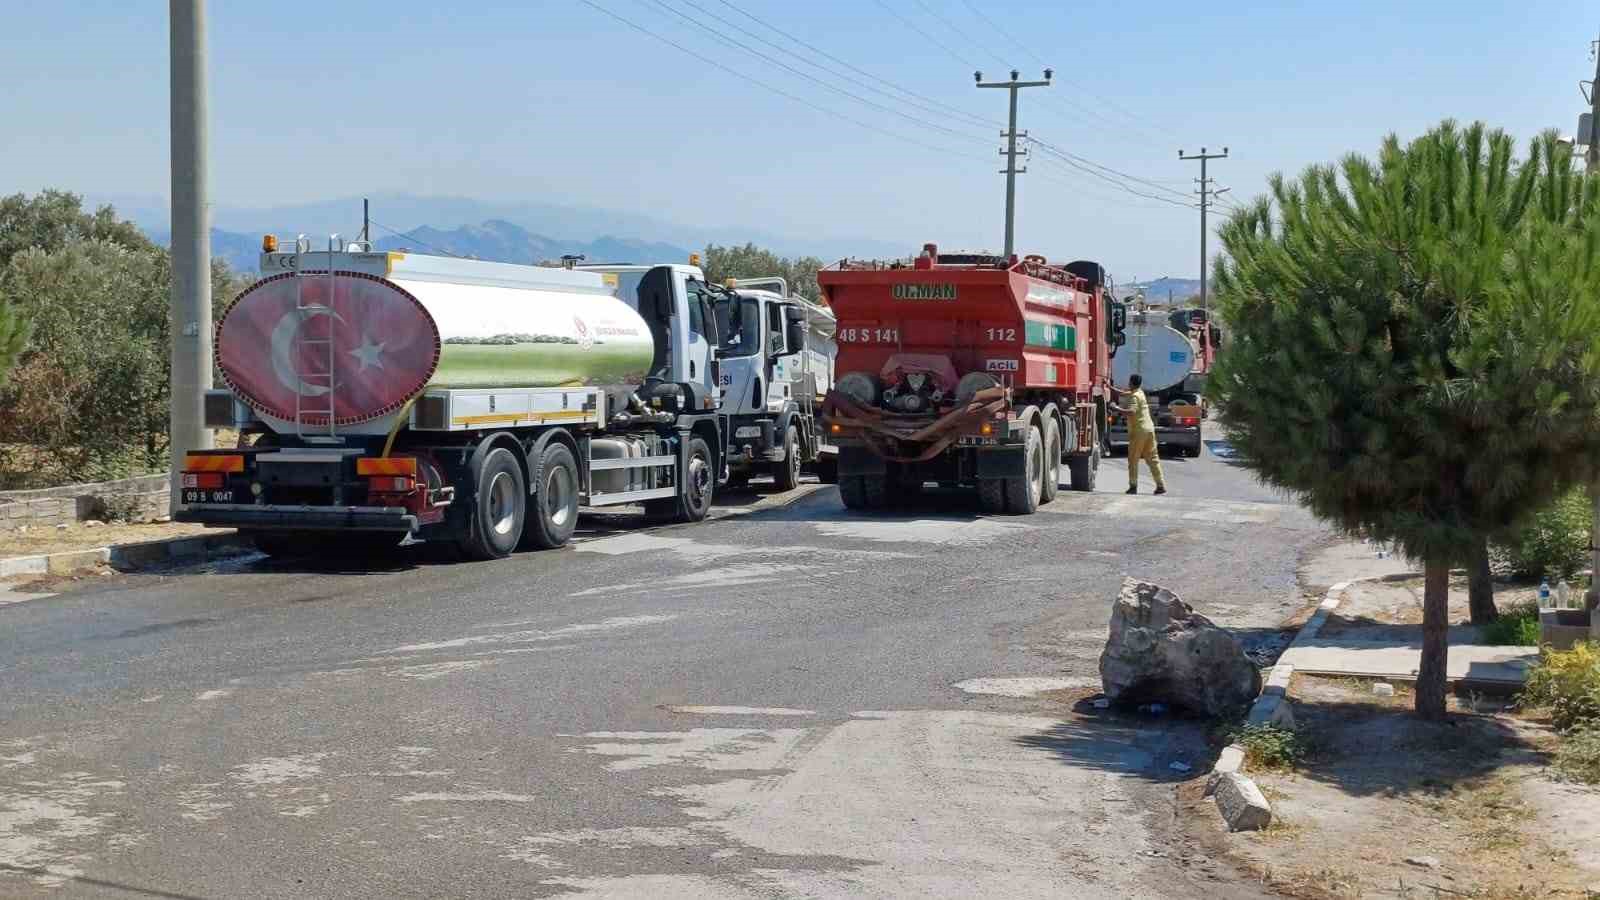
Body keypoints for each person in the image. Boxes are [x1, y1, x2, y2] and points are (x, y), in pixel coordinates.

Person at [1106, 374, 1167, 495]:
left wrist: (1116, 408)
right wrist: (1110, 388)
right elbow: (1125, 393)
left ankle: (1133, 486)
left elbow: (1131, 411)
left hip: (1139, 431)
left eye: (1129, 382)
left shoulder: (1134, 397)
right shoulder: (1140, 393)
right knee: (1153, 458)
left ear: (1132, 383)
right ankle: (1161, 485)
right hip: (1149, 429)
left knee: (1133, 459)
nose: (1128, 384)